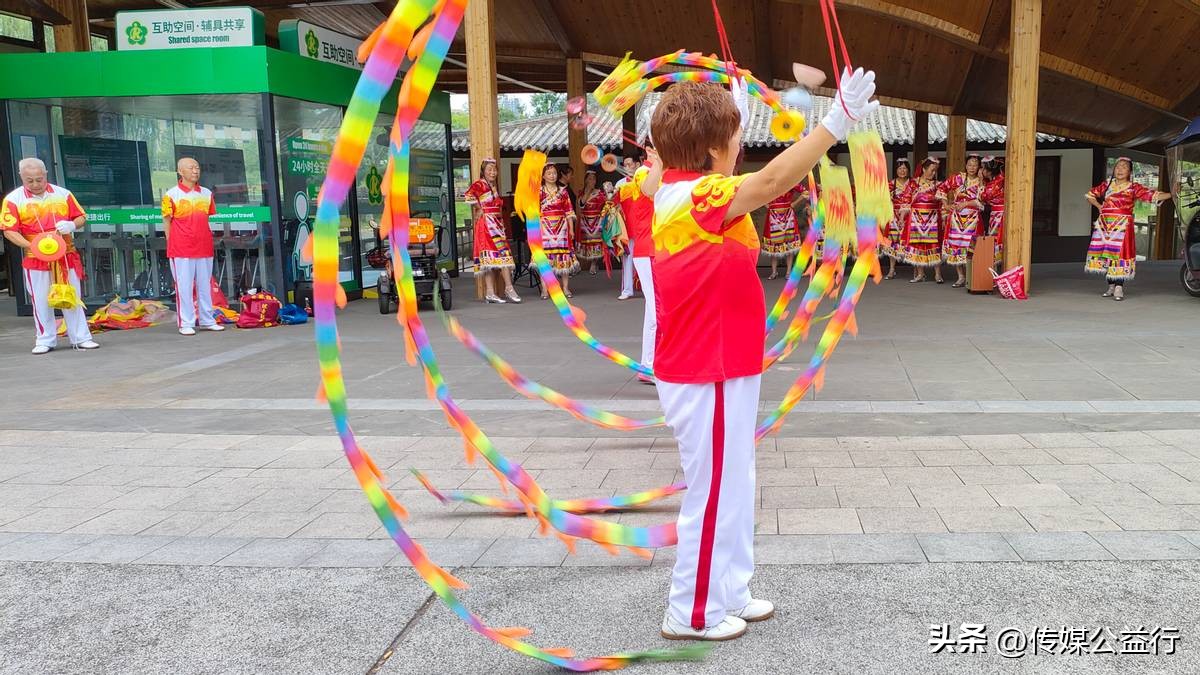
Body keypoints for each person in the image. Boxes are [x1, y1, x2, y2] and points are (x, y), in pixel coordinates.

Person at [641, 70, 878, 641]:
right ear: (709, 151)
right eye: (733, 138)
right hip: (707, 369)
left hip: (725, 363)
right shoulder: (698, 195)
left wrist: (731, 110)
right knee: (716, 489)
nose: (741, 147)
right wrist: (835, 123)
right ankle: (691, 611)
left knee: (735, 482)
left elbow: (688, 168)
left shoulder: (669, 187)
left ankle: (730, 590)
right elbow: (770, 182)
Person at [1, 158, 100, 354]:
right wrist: (33, 246)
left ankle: (81, 337)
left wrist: (72, 225)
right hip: (35, 258)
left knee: (72, 296)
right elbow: (8, 230)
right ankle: (45, 339)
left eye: (39, 179)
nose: (36, 184)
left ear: (46, 174)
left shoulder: (63, 194)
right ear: (21, 177)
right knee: (40, 299)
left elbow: (80, 216)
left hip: (65, 255)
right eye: (30, 180)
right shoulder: (13, 199)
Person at [1085, 157, 1171, 300]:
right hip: (1105, 225)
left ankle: (1119, 287)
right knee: (1106, 254)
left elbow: (1152, 195)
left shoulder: (1133, 187)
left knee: (1120, 255)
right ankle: (1111, 285)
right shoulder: (1107, 185)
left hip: (1122, 226)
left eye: (1124, 167)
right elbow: (1090, 195)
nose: (1120, 169)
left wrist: (1171, 194)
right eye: (1118, 167)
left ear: (1130, 171)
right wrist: (1099, 206)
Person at [162, 157, 225, 336]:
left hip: (204, 246)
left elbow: (207, 217)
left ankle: (207, 320)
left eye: (197, 167)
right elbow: (166, 221)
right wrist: (170, 243)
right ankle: (186, 323)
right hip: (181, 248)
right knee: (184, 286)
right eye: (191, 168)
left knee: (205, 285)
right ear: (180, 172)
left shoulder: (206, 193)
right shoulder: (171, 195)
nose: (195, 171)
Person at [613, 149, 657, 381]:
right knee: (656, 310)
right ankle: (649, 365)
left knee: (658, 309)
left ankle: (651, 364)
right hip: (648, 248)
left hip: (658, 249)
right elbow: (652, 190)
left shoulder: (659, 171)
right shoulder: (643, 173)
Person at [465, 158, 520, 304]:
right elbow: (468, 195)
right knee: (490, 259)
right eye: (489, 169)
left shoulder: (492, 186)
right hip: (486, 225)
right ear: (483, 171)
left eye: (494, 169)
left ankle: (508, 288)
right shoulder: (479, 184)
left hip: (496, 224)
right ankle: (492, 291)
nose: (493, 172)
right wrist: (479, 208)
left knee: (503, 256)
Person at [937, 155, 985, 288]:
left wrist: (981, 182)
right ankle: (961, 276)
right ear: (965, 165)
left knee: (972, 247)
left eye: (975, 165)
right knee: (957, 246)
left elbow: (982, 200)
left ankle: (971, 276)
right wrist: (946, 205)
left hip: (973, 218)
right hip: (957, 219)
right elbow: (942, 188)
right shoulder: (958, 178)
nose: (972, 168)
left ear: (979, 167)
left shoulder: (982, 181)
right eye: (969, 164)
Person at [902, 157, 944, 283]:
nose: (933, 173)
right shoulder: (913, 183)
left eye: (935, 171)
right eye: (931, 170)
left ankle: (938, 274)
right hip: (916, 217)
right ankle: (920, 274)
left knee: (935, 244)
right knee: (917, 244)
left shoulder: (938, 185)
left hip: (933, 217)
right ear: (924, 169)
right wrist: (901, 217)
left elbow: (943, 202)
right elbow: (906, 200)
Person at [538, 163, 577, 299]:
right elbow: (534, 213)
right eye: (549, 173)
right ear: (543, 176)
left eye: (554, 173)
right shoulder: (539, 192)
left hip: (562, 227)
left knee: (563, 257)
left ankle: (565, 288)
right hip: (544, 228)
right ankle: (545, 289)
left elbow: (569, 211)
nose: (552, 175)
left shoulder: (563, 191)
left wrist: (571, 229)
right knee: (545, 259)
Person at [762, 181, 808, 280]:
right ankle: (774, 272)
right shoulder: (769, 183)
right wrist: (767, 205)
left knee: (789, 243)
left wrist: (794, 204)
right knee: (773, 244)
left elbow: (805, 193)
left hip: (788, 215)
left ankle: (788, 272)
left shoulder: (791, 181)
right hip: (773, 216)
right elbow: (758, 193)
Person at [613, 154, 644, 300]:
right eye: (625, 164)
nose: (627, 167)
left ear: (638, 165)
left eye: (629, 164)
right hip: (628, 227)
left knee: (646, 260)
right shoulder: (620, 184)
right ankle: (627, 290)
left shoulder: (645, 180)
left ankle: (647, 289)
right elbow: (614, 205)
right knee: (628, 259)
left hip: (645, 227)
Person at [883, 159, 915, 279]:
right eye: (900, 168)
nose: (902, 171)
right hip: (894, 215)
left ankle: (915, 269)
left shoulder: (913, 183)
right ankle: (892, 269)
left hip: (910, 216)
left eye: (904, 168)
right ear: (896, 170)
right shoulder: (891, 184)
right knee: (893, 242)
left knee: (910, 241)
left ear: (908, 170)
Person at [576, 170, 606, 274]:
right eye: (589, 178)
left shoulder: (600, 193)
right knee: (586, 243)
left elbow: (606, 204)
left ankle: (594, 264)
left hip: (597, 221)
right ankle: (580, 264)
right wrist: (588, 191)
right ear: (585, 180)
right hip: (585, 221)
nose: (592, 181)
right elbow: (581, 204)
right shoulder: (581, 193)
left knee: (596, 242)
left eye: (593, 178)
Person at [979, 156, 1005, 270]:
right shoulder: (1001, 178)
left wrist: (980, 181)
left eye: (983, 168)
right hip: (999, 213)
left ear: (988, 171)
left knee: (995, 241)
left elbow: (983, 197)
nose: (981, 170)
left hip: (999, 215)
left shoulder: (994, 184)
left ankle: (993, 275)